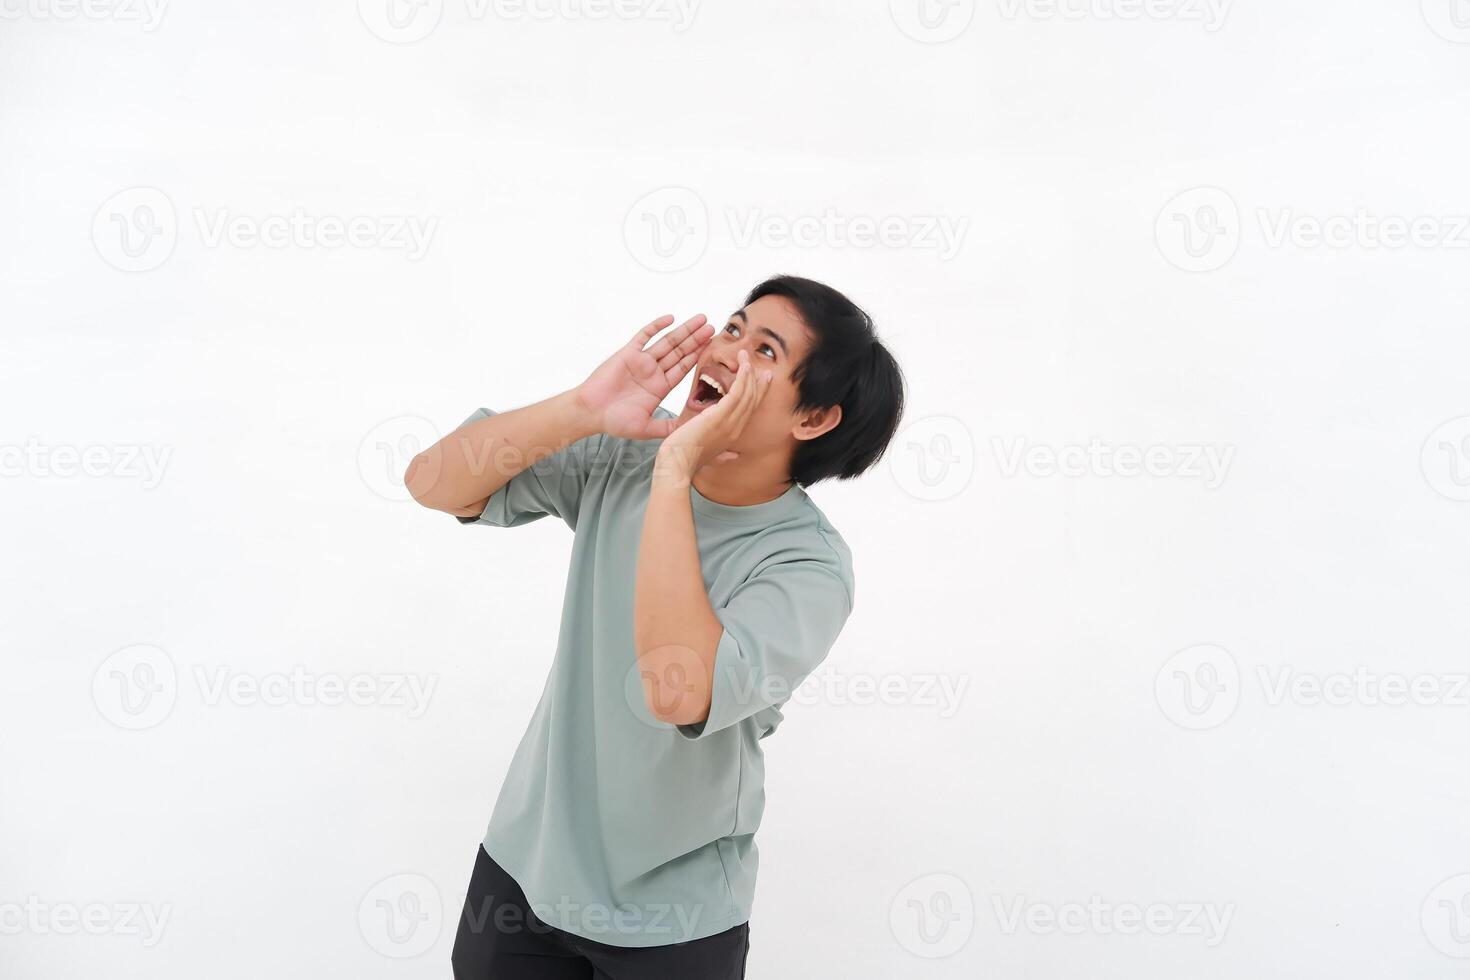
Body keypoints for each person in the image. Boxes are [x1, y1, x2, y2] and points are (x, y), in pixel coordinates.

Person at [406, 275, 905, 979]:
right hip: (522, 872)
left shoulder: (807, 566)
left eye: (765, 350)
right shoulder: (622, 455)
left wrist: (675, 471)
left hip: (673, 922)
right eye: (733, 329)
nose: (728, 353)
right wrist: (581, 409)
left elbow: (677, 691)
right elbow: (433, 482)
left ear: (815, 418)